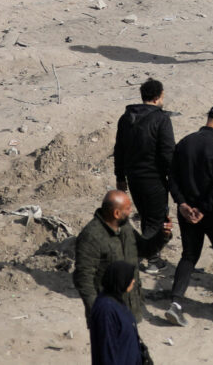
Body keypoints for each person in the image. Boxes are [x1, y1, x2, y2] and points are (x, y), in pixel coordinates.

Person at [167, 106, 213, 324]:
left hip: (187, 212)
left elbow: (172, 178)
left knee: (189, 255)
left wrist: (182, 204)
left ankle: (176, 303)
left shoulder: (185, 142)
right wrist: (204, 209)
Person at [74, 190, 163, 323]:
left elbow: (143, 250)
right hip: (108, 314)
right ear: (116, 213)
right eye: (127, 208)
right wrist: (98, 313)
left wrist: (163, 236)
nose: (131, 211)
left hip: (131, 309)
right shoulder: (91, 237)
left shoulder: (125, 227)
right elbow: (84, 279)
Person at [113, 79, 175, 267]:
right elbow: (167, 152)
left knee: (147, 217)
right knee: (156, 218)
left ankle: (146, 255)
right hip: (154, 179)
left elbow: (119, 149)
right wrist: (174, 178)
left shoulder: (127, 117)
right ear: (158, 97)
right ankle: (152, 259)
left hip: (133, 178)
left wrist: (120, 177)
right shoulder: (161, 119)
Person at [87, 261, 143, 365]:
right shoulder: (106, 310)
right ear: (120, 280)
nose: (133, 281)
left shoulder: (117, 301)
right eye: (130, 278)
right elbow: (107, 350)